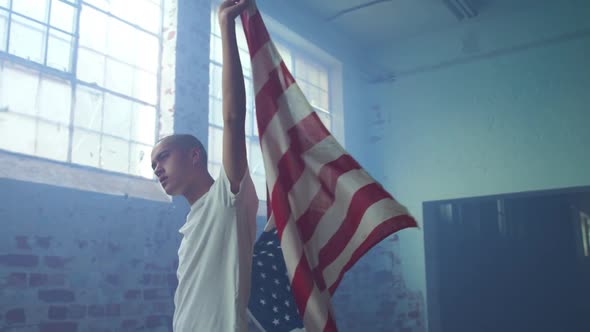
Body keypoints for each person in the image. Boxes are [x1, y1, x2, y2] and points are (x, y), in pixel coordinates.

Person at [150, 0, 258, 330]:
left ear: (195, 155)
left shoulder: (228, 199)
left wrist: (225, 25)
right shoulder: (191, 225)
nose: (156, 169)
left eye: (163, 156)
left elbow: (233, 118)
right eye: (153, 164)